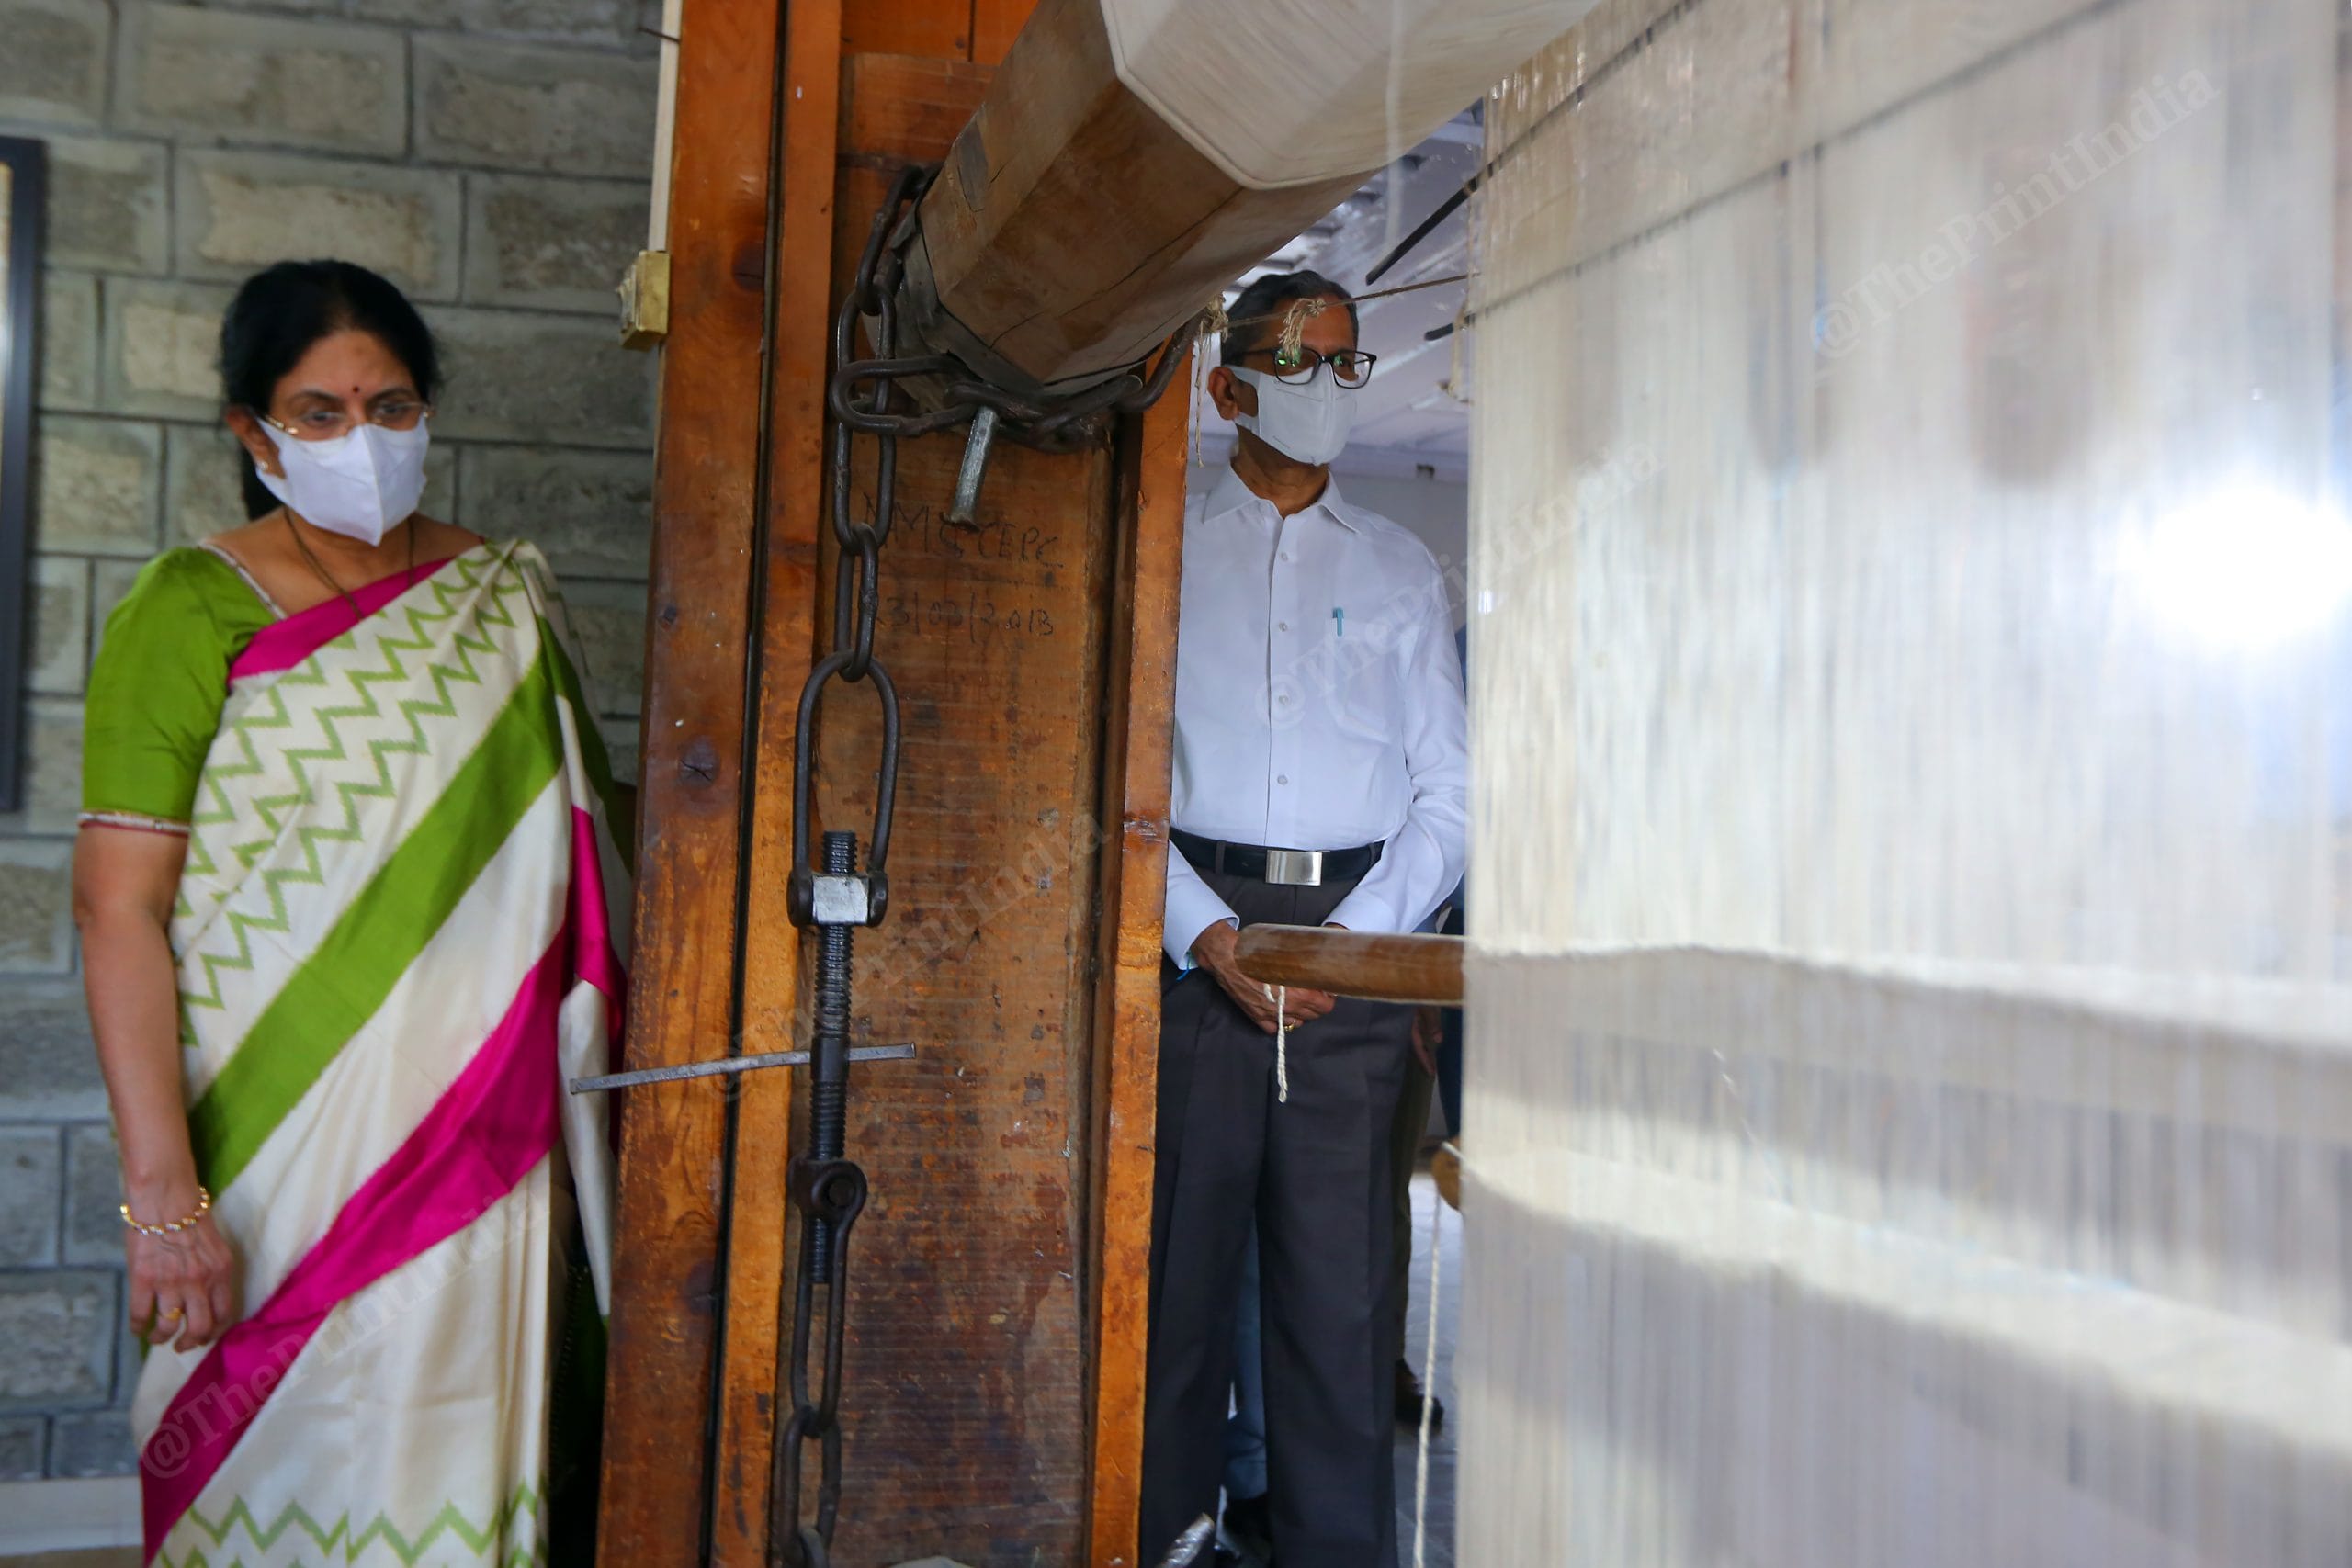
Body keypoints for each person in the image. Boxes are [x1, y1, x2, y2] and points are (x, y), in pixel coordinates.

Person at [73, 260, 630, 1566]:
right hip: (275, 1145)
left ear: (428, 411)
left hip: (492, 1138)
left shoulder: (504, 597)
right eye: (317, 413)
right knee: (288, 1475)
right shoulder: (190, 604)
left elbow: (585, 876)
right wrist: (165, 1201)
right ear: (252, 436)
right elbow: (117, 912)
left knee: (457, 1465)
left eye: (388, 405)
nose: (359, 439)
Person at [1141, 270, 1468, 1567]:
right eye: (1300, 365)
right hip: (1194, 941)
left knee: (1341, 1299)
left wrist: (1359, 939)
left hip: (1351, 951)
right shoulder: (1164, 552)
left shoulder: (1398, 571)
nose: (1330, 390)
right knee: (1175, 1285)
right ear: (1227, 392)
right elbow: (1111, 779)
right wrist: (1204, 931)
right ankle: (1166, 1536)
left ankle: (1337, 1550)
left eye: (1346, 366)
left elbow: (1449, 788)